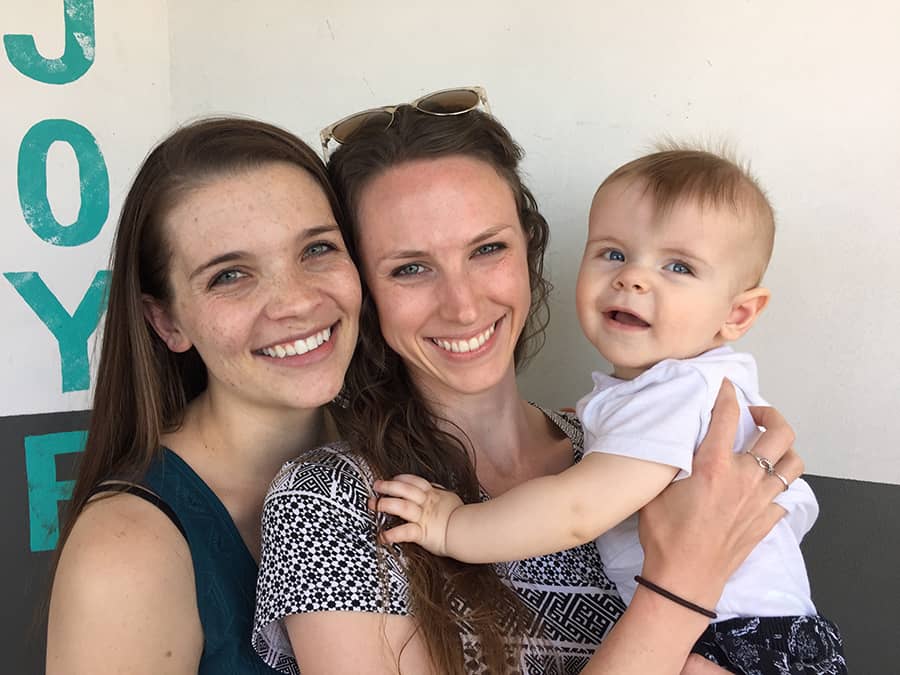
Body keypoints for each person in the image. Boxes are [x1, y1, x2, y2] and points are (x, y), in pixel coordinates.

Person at [251, 91, 803, 675]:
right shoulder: (328, 503)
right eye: (410, 268)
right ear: (362, 288)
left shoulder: (626, 447)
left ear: (530, 251)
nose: (463, 306)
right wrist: (681, 583)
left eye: (488, 249)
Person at [372, 146, 846, 674]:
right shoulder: (665, 395)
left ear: (737, 313)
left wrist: (452, 526)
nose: (633, 278)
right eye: (615, 254)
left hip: (738, 638)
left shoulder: (678, 394)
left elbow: (577, 512)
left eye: (679, 266)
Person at [45, 117, 362, 674]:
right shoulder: (126, 552)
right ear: (166, 321)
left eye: (316, 249)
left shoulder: (410, 449)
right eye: (230, 276)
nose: (295, 302)